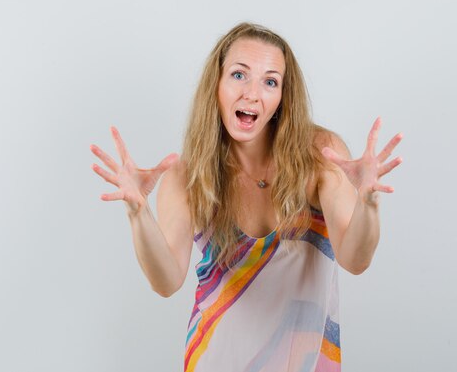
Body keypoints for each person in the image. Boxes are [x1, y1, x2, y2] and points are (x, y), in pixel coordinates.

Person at [90, 22, 403, 372]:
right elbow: (166, 282)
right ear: (217, 84)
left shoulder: (320, 154)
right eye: (239, 75)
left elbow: (356, 259)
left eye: (270, 81)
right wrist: (138, 212)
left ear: (283, 97)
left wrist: (368, 203)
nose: (252, 93)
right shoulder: (186, 177)